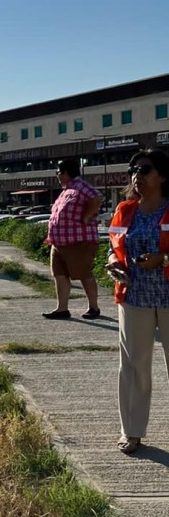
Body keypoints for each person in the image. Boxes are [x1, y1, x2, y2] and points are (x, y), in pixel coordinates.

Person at [107, 149, 169, 454]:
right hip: (133, 297)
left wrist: (163, 258)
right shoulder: (124, 210)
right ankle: (131, 431)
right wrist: (112, 262)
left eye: (145, 169)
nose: (137, 176)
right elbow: (114, 246)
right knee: (133, 366)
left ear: (163, 176)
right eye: (133, 170)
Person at [43, 158, 102, 319]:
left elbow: (96, 198)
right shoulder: (66, 190)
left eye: (58, 172)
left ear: (66, 173)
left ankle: (94, 307)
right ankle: (62, 308)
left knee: (83, 274)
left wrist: (88, 216)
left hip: (78, 241)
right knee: (59, 274)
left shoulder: (80, 186)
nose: (57, 175)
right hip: (59, 242)